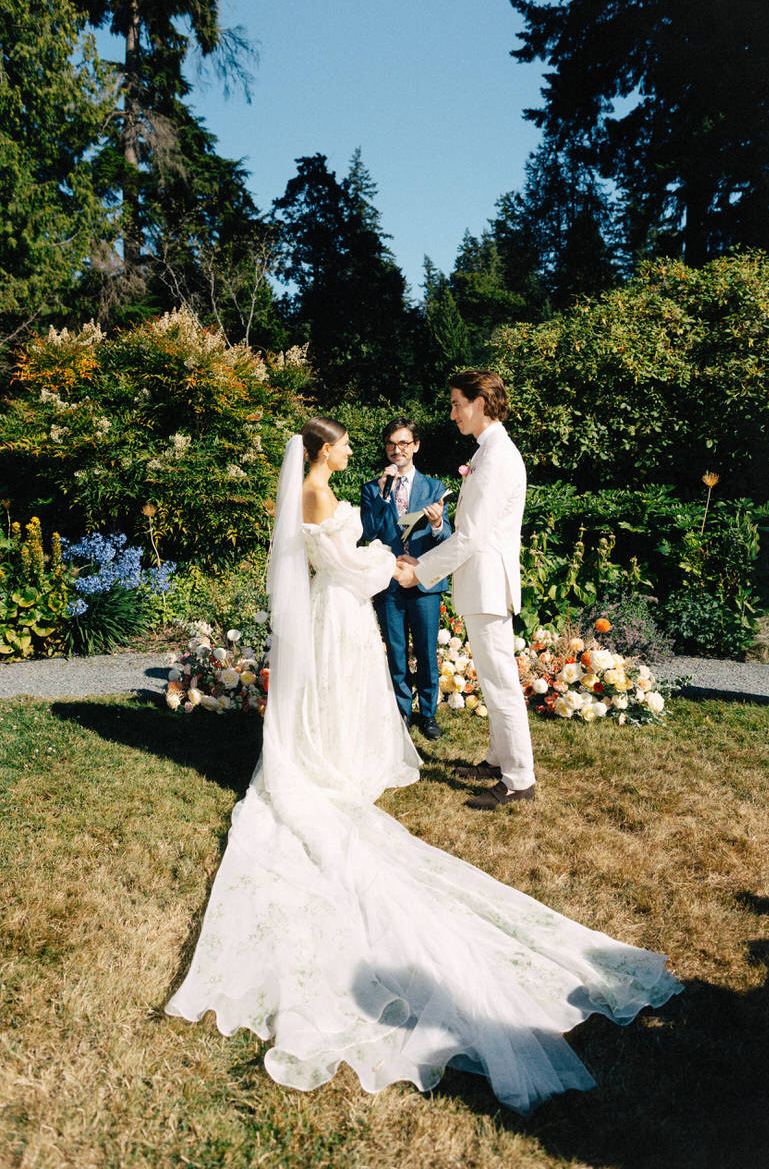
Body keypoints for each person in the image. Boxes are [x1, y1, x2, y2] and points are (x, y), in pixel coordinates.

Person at [166, 416, 682, 1116]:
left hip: (351, 607)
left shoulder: (362, 481)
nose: (356, 450)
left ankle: (357, 757)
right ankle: (333, 761)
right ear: (323, 452)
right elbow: (340, 563)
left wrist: (390, 563)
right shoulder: (318, 492)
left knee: (351, 692)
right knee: (341, 692)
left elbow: (405, 546)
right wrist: (384, 562)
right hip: (339, 605)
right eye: (344, 442)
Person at [394, 370, 535, 812]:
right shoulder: (486, 453)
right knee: (494, 681)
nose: (452, 412)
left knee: (500, 683)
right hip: (479, 584)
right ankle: (497, 761)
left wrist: (420, 573)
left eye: (457, 403)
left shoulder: (497, 458)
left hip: (489, 585)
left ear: (481, 402)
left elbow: (471, 536)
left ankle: (518, 779)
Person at [361, 417, 451, 739]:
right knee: (396, 651)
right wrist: (383, 495)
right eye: (391, 443)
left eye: (403, 443)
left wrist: (439, 524)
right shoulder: (372, 488)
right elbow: (369, 533)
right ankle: (401, 712)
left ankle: (428, 715)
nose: (396, 449)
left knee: (426, 651)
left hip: (424, 581)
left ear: (415, 446)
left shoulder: (434, 487)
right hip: (388, 581)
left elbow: (448, 537)